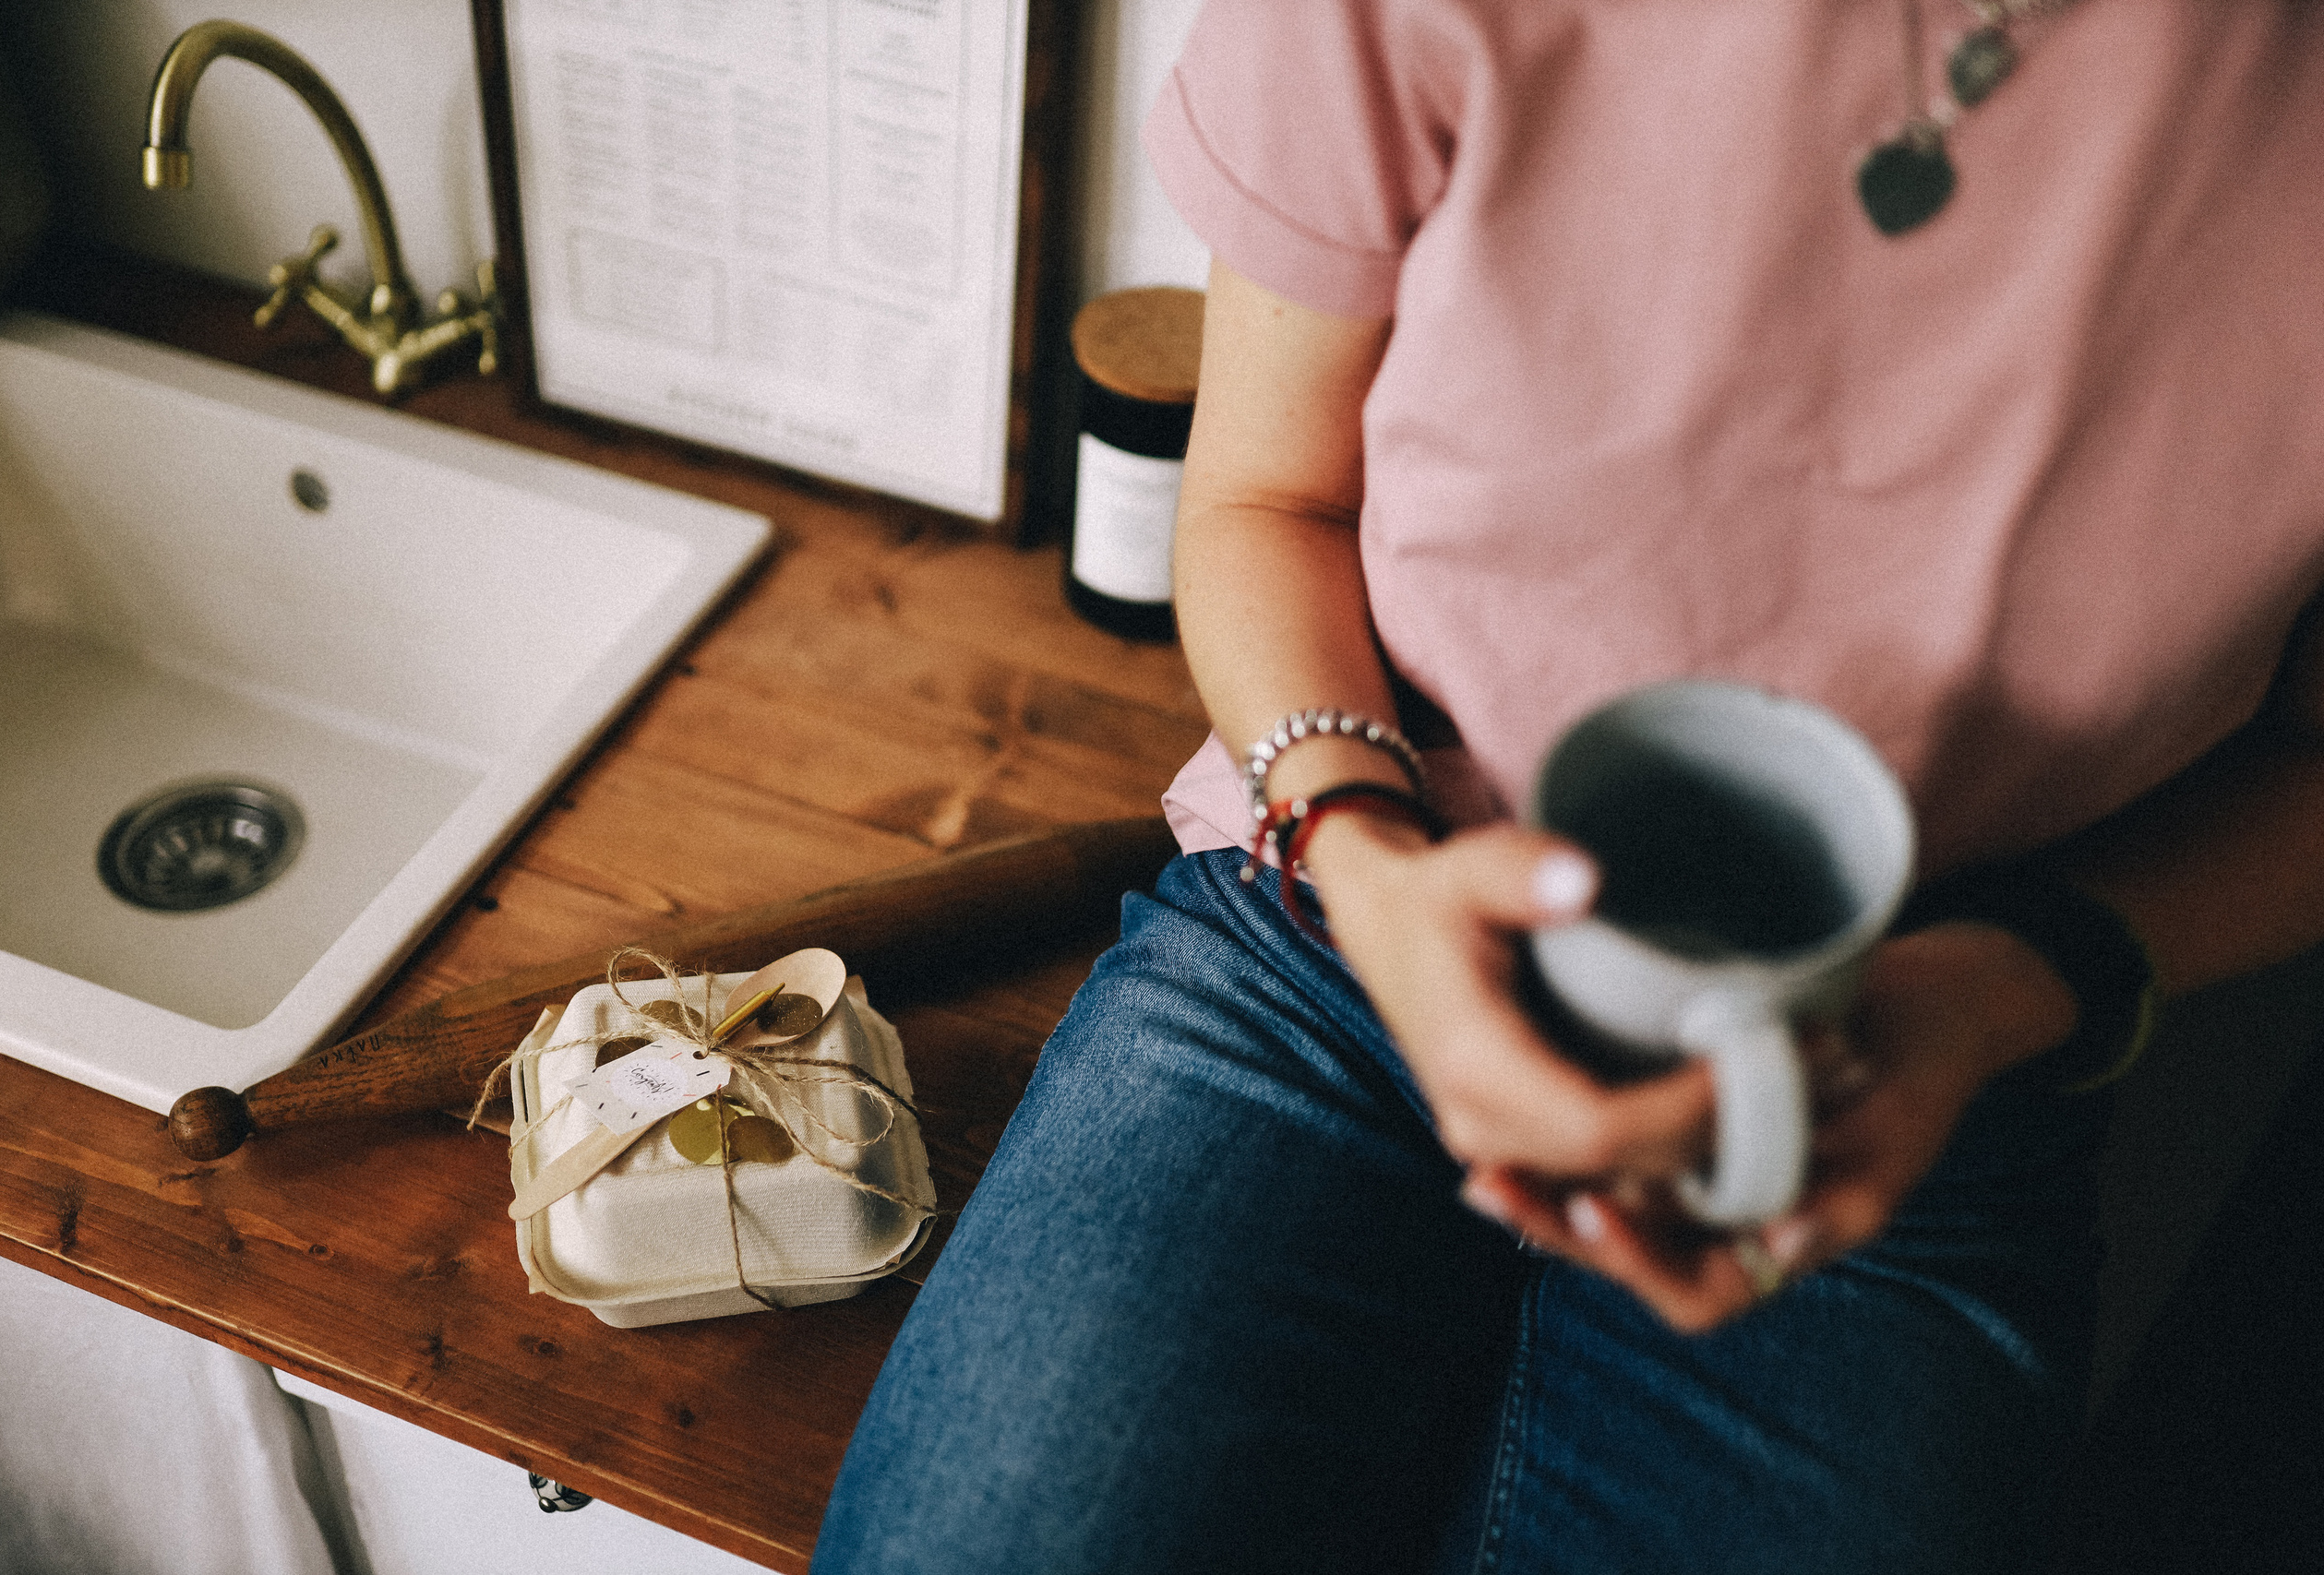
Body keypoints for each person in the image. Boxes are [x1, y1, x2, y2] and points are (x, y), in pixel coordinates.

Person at [813, 4, 2324, 1570]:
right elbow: (1269, 494)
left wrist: (1996, 995)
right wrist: (1366, 858)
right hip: (1341, 921)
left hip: (1909, 1073)